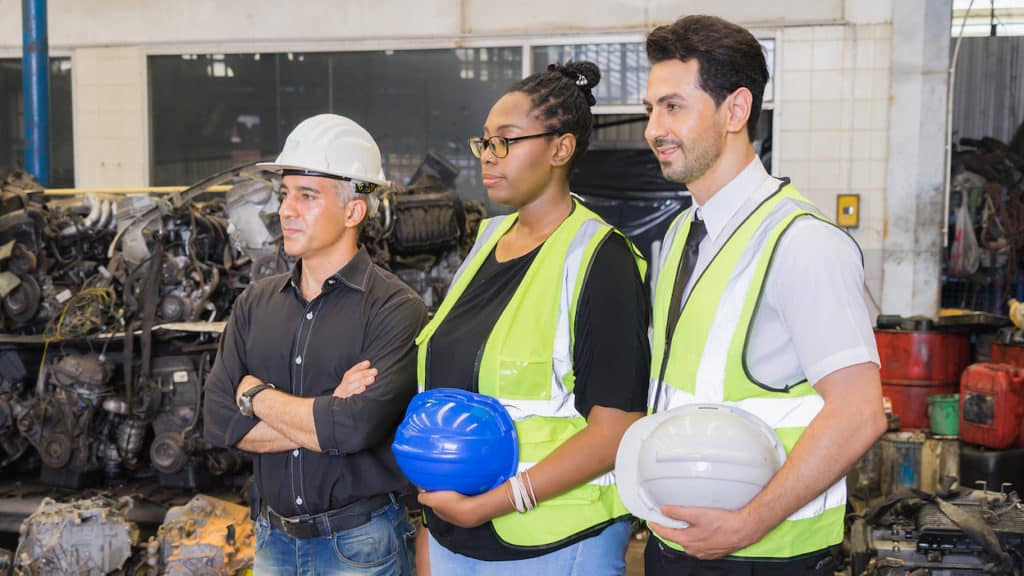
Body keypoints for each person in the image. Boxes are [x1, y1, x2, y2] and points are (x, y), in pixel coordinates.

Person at [640, 14, 886, 575]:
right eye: (652, 107)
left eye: (673, 106)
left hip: (764, 554)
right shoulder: (683, 233)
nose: (654, 127)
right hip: (678, 545)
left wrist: (749, 522)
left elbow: (860, 414)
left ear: (736, 110)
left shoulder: (804, 243)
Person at [412, 61, 650, 575]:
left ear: (559, 149)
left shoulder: (601, 259)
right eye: (485, 143)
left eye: (507, 141)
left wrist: (495, 501)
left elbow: (615, 430)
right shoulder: (484, 243)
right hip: (455, 537)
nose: (488, 158)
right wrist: (434, 533)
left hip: (553, 543)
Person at [203, 114, 428, 575]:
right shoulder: (255, 304)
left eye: (307, 196)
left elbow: (352, 430)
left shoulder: (395, 309)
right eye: (285, 194)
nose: (286, 210)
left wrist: (255, 396)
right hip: (272, 542)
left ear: (353, 211)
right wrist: (325, 413)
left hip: (361, 546)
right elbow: (220, 424)